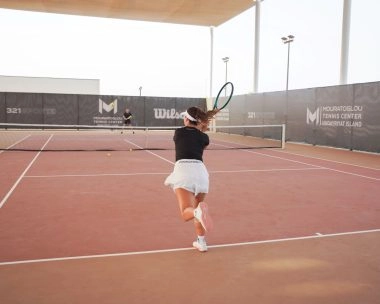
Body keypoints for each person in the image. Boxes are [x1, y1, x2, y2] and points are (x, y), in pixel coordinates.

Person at [164, 106, 218, 252]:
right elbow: (199, 139)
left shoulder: (178, 132)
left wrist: (201, 128)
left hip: (184, 171)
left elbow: (188, 139)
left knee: (187, 212)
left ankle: (197, 213)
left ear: (187, 119)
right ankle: (201, 242)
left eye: (184, 117)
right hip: (201, 174)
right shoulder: (204, 138)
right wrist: (202, 129)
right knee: (199, 208)